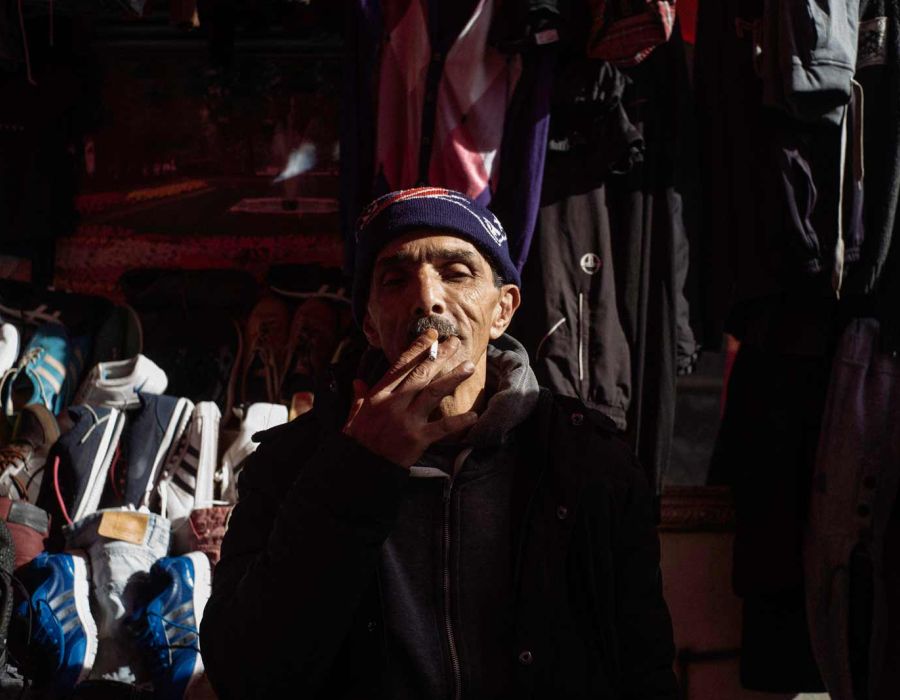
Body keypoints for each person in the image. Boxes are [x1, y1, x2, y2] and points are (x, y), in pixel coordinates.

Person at [200, 187, 679, 699]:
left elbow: (644, 670)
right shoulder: (291, 462)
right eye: (395, 280)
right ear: (369, 322)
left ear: (502, 310)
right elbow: (243, 674)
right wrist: (357, 468)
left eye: (456, 273)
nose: (427, 297)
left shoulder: (589, 461)